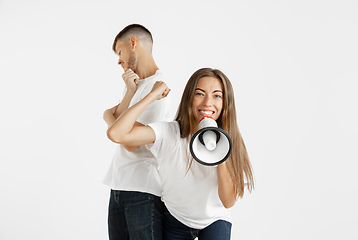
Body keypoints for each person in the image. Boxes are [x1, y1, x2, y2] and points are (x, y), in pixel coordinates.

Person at [107, 68, 255, 240]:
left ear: (225, 103)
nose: (208, 102)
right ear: (189, 98)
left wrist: (220, 152)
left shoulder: (228, 141)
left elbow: (228, 202)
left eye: (217, 96)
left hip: (214, 220)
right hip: (176, 218)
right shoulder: (169, 133)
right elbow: (116, 134)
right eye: (200, 94)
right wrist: (152, 96)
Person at [103, 24, 171, 240]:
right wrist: (130, 92)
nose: (118, 60)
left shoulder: (161, 89)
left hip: (143, 190)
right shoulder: (133, 85)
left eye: (120, 52)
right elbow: (109, 118)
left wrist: (112, 118)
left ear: (133, 43)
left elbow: (129, 142)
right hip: (118, 186)